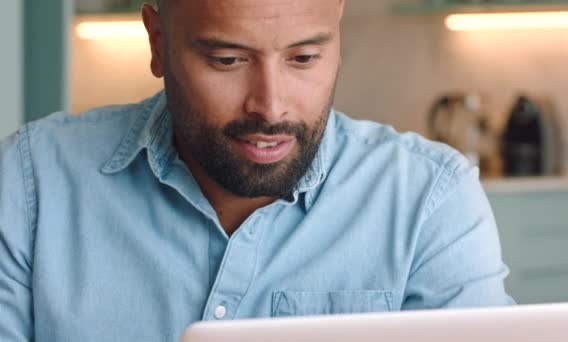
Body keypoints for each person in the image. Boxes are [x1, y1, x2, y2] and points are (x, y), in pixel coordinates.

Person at [0, 0, 513, 341]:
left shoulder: (429, 199)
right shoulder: (33, 182)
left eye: (305, 57)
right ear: (157, 39)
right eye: (227, 60)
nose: (270, 107)